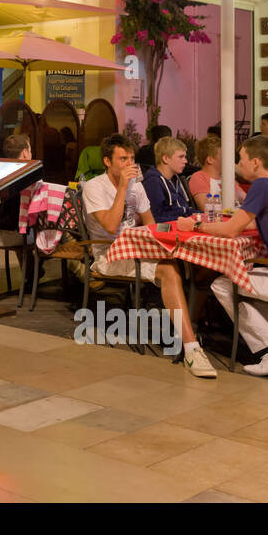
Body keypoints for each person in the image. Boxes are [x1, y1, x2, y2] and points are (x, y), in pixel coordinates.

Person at [179, 135, 268, 377]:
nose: (238, 165)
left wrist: (194, 227)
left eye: (241, 159)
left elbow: (231, 229)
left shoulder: (262, 186)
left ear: (255, 162)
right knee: (245, 284)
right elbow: (250, 221)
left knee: (225, 285)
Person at [82, 133, 215, 378]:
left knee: (199, 262)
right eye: (123, 159)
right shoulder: (94, 187)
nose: (129, 164)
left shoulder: (138, 185)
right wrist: (123, 187)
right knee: (169, 270)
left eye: (132, 158)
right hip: (110, 255)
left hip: (138, 249)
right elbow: (111, 227)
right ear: (107, 161)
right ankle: (191, 347)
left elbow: (153, 226)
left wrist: (181, 227)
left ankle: (189, 328)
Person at [141, 136, 195, 223]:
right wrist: (182, 220)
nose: (185, 161)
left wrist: (203, 215)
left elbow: (185, 210)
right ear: (165, 159)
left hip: (181, 224)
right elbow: (155, 217)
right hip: (168, 231)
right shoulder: (153, 182)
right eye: (181, 157)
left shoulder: (175, 179)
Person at [187, 134, 246, 212]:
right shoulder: (199, 177)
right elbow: (205, 208)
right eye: (224, 155)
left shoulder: (227, 177)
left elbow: (246, 199)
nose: (228, 159)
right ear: (210, 160)